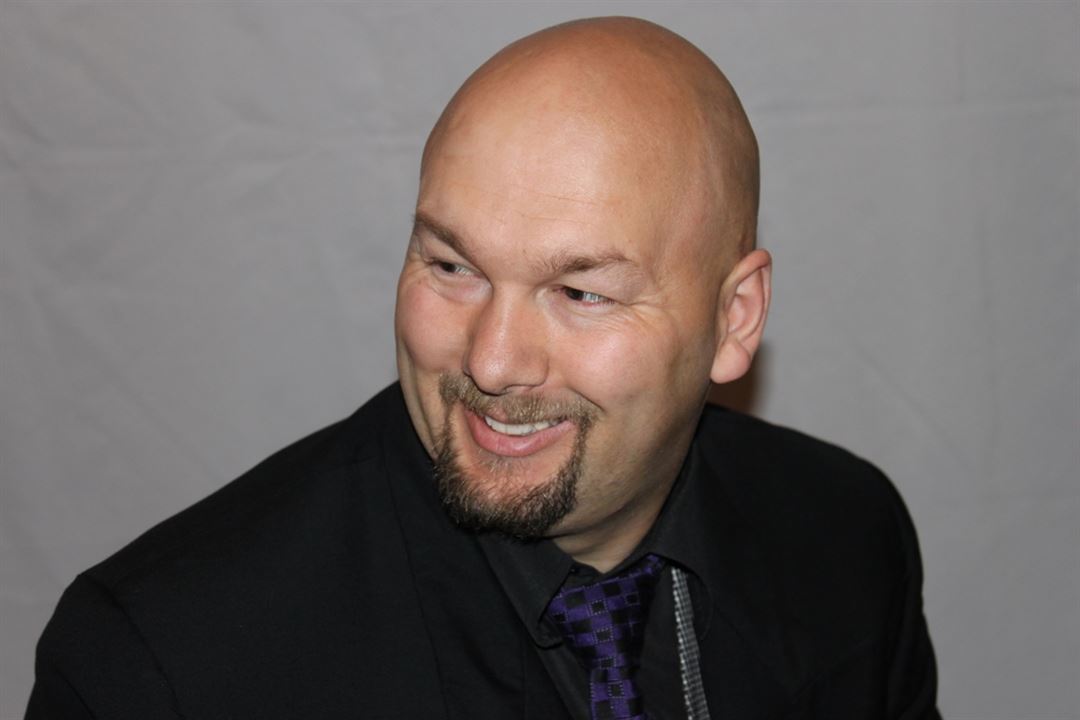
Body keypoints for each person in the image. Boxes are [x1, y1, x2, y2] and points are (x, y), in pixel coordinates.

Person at [26, 17, 940, 720]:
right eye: (453, 266)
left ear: (734, 318)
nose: (491, 361)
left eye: (580, 292)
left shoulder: (847, 539)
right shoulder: (163, 664)